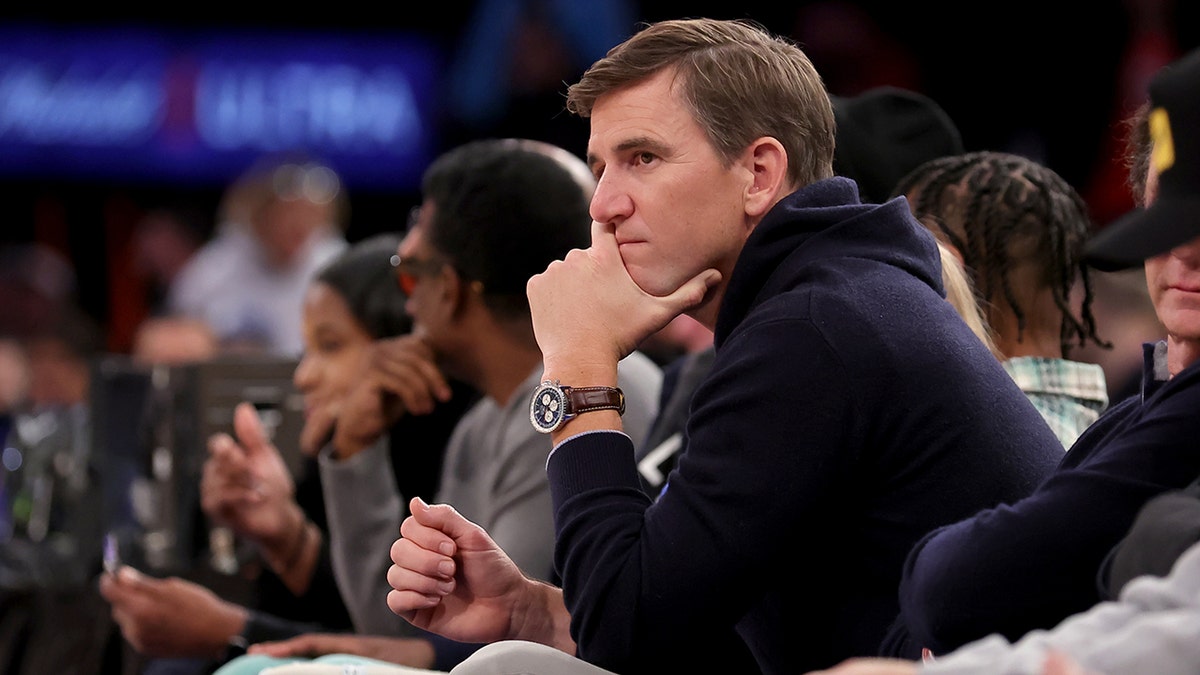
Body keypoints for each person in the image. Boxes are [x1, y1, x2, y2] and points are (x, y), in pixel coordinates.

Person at [385, 18, 1064, 674]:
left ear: (759, 175)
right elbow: (709, 631)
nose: (602, 205)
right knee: (517, 656)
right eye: (600, 167)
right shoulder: (830, 299)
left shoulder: (813, 330)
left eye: (642, 158)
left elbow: (631, 627)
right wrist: (531, 610)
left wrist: (578, 368)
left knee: (510, 673)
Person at [810, 44, 1200, 675]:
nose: (1183, 252)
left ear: (944, 272)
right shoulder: (1138, 407)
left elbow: (956, 590)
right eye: (1166, 212)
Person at [212, 138, 664, 674]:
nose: (406, 302)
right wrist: (354, 451)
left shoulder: (587, 394)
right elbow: (412, 622)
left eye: (409, 272)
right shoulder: (481, 422)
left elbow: (487, 648)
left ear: (448, 289)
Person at [100, 234, 475, 672]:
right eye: (306, 349)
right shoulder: (334, 452)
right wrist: (283, 535)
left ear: (404, 343)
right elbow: (345, 612)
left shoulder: (459, 451)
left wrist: (231, 631)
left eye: (330, 346)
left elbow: (400, 642)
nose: (303, 377)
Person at [892, 150, 1111, 447]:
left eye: (904, 260)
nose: (890, 282)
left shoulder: (978, 444)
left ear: (946, 271)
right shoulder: (1114, 435)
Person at [167, 153, 350, 357]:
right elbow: (175, 330)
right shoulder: (217, 266)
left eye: (310, 213)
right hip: (231, 381)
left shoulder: (336, 264)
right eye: (288, 212)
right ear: (260, 214)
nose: (298, 224)